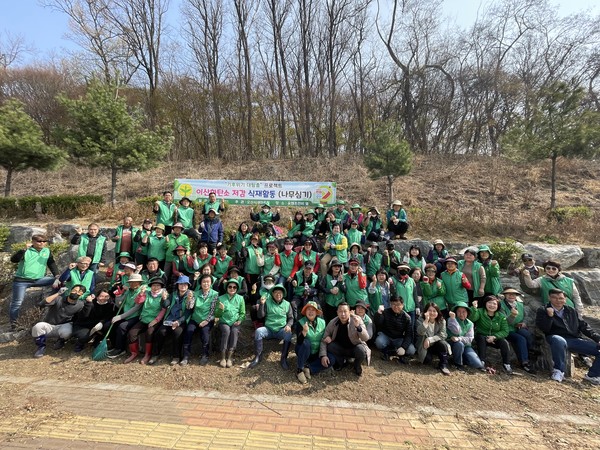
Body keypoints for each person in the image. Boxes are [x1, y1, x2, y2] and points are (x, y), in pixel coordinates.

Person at [536, 288, 600, 385]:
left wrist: (598, 338)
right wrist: (550, 316)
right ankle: (558, 371)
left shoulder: (571, 310)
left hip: (573, 339)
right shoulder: (543, 310)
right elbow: (544, 329)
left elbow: (583, 326)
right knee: (559, 340)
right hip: (554, 337)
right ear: (549, 298)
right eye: (554, 298)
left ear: (565, 299)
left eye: (561, 298)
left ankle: (592, 375)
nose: (558, 301)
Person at [10, 234, 60, 329]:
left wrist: (56, 275)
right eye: (39, 241)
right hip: (22, 281)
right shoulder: (26, 251)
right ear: (33, 242)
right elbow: (13, 260)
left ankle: (53, 300)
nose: (42, 243)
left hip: (39, 279)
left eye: (44, 241)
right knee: (17, 302)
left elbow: (51, 263)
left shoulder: (47, 251)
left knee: (60, 280)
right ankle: (14, 325)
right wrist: (22, 251)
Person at [31, 284, 89, 357]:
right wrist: (58, 293)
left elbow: (83, 316)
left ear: (81, 295)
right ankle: (41, 347)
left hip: (63, 326)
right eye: (74, 290)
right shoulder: (59, 299)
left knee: (67, 331)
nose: (76, 293)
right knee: (37, 327)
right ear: (70, 290)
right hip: (49, 325)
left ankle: (61, 341)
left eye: (79, 292)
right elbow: (42, 303)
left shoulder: (80, 304)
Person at [124, 277, 168, 364]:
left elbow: (164, 309)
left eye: (158, 286)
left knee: (149, 333)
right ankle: (134, 353)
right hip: (144, 318)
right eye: (153, 285)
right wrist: (141, 293)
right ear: (150, 286)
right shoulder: (147, 293)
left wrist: (156, 320)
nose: (155, 288)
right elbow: (138, 301)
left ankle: (147, 354)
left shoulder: (164, 295)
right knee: (132, 333)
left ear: (161, 287)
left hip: (155, 320)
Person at [149, 275, 191, 365]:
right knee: (160, 332)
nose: (182, 286)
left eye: (185, 284)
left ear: (188, 285)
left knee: (177, 333)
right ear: (178, 285)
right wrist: (164, 299)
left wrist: (179, 322)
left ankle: (176, 356)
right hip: (170, 318)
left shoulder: (191, 295)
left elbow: (188, 312)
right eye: (180, 284)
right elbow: (165, 305)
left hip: (181, 320)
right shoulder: (173, 294)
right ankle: (155, 354)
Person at [249, 284, 293, 369]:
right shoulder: (267, 302)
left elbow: (291, 318)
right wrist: (262, 304)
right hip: (268, 329)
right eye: (276, 292)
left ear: (283, 294)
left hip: (281, 329)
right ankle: (258, 356)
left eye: (280, 292)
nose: (278, 294)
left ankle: (283, 358)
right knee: (258, 331)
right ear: (272, 294)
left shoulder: (287, 304)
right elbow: (260, 316)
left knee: (289, 334)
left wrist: (288, 325)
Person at [321, 302, 370, 376]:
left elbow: (366, 338)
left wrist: (358, 327)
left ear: (349, 312)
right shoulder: (333, 322)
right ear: (337, 312)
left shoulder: (357, 319)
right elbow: (323, 339)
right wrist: (323, 355)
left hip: (354, 347)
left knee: (361, 350)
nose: (343, 314)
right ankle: (342, 362)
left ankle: (356, 365)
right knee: (330, 345)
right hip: (340, 348)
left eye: (345, 311)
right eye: (340, 311)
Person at [182, 274, 220, 365]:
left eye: (208, 282)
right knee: (188, 331)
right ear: (201, 283)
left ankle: (205, 354)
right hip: (195, 318)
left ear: (211, 283)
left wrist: (206, 321)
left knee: (205, 333)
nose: (206, 284)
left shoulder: (215, 294)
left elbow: (213, 310)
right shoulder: (196, 293)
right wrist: (189, 299)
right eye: (204, 282)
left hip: (207, 319)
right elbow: (190, 307)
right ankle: (186, 355)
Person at [107, 273, 146, 359]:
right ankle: (114, 345)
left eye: (135, 282)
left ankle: (120, 349)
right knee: (112, 323)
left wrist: (121, 317)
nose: (132, 284)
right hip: (125, 314)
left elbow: (136, 308)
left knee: (122, 326)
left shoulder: (142, 292)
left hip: (135, 316)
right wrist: (118, 296)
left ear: (139, 283)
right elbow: (119, 304)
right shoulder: (128, 291)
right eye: (131, 282)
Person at [470, 295, 512, 374]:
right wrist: (474, 308)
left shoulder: (501, 316)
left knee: (504, 342)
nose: (492, 305)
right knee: (481, 338)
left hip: (494, 337)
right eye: (489, 303)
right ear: (485, 303)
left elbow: (505, 331)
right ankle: (481, 361)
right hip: (482, 335)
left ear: (498, 305)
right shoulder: (480, 311)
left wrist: (494, 337)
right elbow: (473, 318)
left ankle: (507, 364)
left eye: (494, 304)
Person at [295, 301, 332, 383]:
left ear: (316, 312)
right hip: (304, 351)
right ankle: (300, 369)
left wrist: (328, 337)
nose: (311, 312)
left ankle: (309, 367)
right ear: (305, 312)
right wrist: (304, 332)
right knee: (306, 343)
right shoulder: (300, 322)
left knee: (332, 359)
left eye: (313, 310)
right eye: (308, 309)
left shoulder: (322, 322)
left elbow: (325, 336)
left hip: (317, 352)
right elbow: (299, 342)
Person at [500, 288, 536, 373]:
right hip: (506, 330)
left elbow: (525, 316)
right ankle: (524, 362)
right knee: (520, 339)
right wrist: (512, 316)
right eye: (509, 294)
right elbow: (504, 321)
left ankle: (531, 354)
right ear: (505, 295)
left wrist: (523, 323)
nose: (511, 296)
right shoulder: (501, 305)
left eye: (514, 294)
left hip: (518, 327)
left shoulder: (520, 304)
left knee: (527, 334)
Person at [374, 296, 415, 361]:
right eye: (393, 304)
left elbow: (409, 335)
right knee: (379, 342)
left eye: (398, 305)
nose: (396, 307)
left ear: (402, 305)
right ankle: (387, 352)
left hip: (398, 338)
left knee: (411, 350)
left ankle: (399, 354)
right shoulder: (386, 312)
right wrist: (378, 313)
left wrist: (403, 347)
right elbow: (378, 322)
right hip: (386, 336)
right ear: (390, 304)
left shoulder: (407, 317)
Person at [216, 278, 245, 368]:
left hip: (235, 322)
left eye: (234, 287)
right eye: (230, 286)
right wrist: (220, 309)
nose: (232, 288)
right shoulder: (221, 298)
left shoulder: (240, 298)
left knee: (234, 331)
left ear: (237, 288)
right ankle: (223, 357)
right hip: (224, 321)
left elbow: (242, 312)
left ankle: (230, 357)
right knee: (226, 331)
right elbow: (217, 314)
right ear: (227, 287)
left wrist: (240, 320)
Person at [446, 302, 484, 371]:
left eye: (464, 311)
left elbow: (470, 339)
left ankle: (461, 357)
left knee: (477, 364)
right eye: (459, 311)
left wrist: (459, 338)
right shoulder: (450, 320)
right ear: (455, 312)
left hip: (466, 345)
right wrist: (453, 319)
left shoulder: (470, 323)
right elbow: (456, 331)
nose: (461, 314)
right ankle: (458, 364)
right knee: (459, 344)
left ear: (467, 312)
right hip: (451, 343)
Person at [416, 303, 451, 375]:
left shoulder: (441, 321)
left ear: (438, 312)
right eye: (429, 310)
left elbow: (443, 335)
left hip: (435, 344)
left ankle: (443, 365)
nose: (432, 313)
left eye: (434, 311)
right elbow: (420, 332)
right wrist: (426, 320)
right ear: (425, 311)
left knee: (443, 344)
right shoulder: (420, 319)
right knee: (427, 360)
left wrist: (430, 339)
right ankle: (429, 356)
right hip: (424, 346)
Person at [321, 258, 346, 323]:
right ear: (331, 267)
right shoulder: (326, 277)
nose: (337, 267)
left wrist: (341, 282)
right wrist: (330, 290)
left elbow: (344, 290)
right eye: (335, 266)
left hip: (339, 303)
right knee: (330, 321)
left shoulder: (343, 277)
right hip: (329, 303)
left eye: (338, 266)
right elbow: (322, 288)